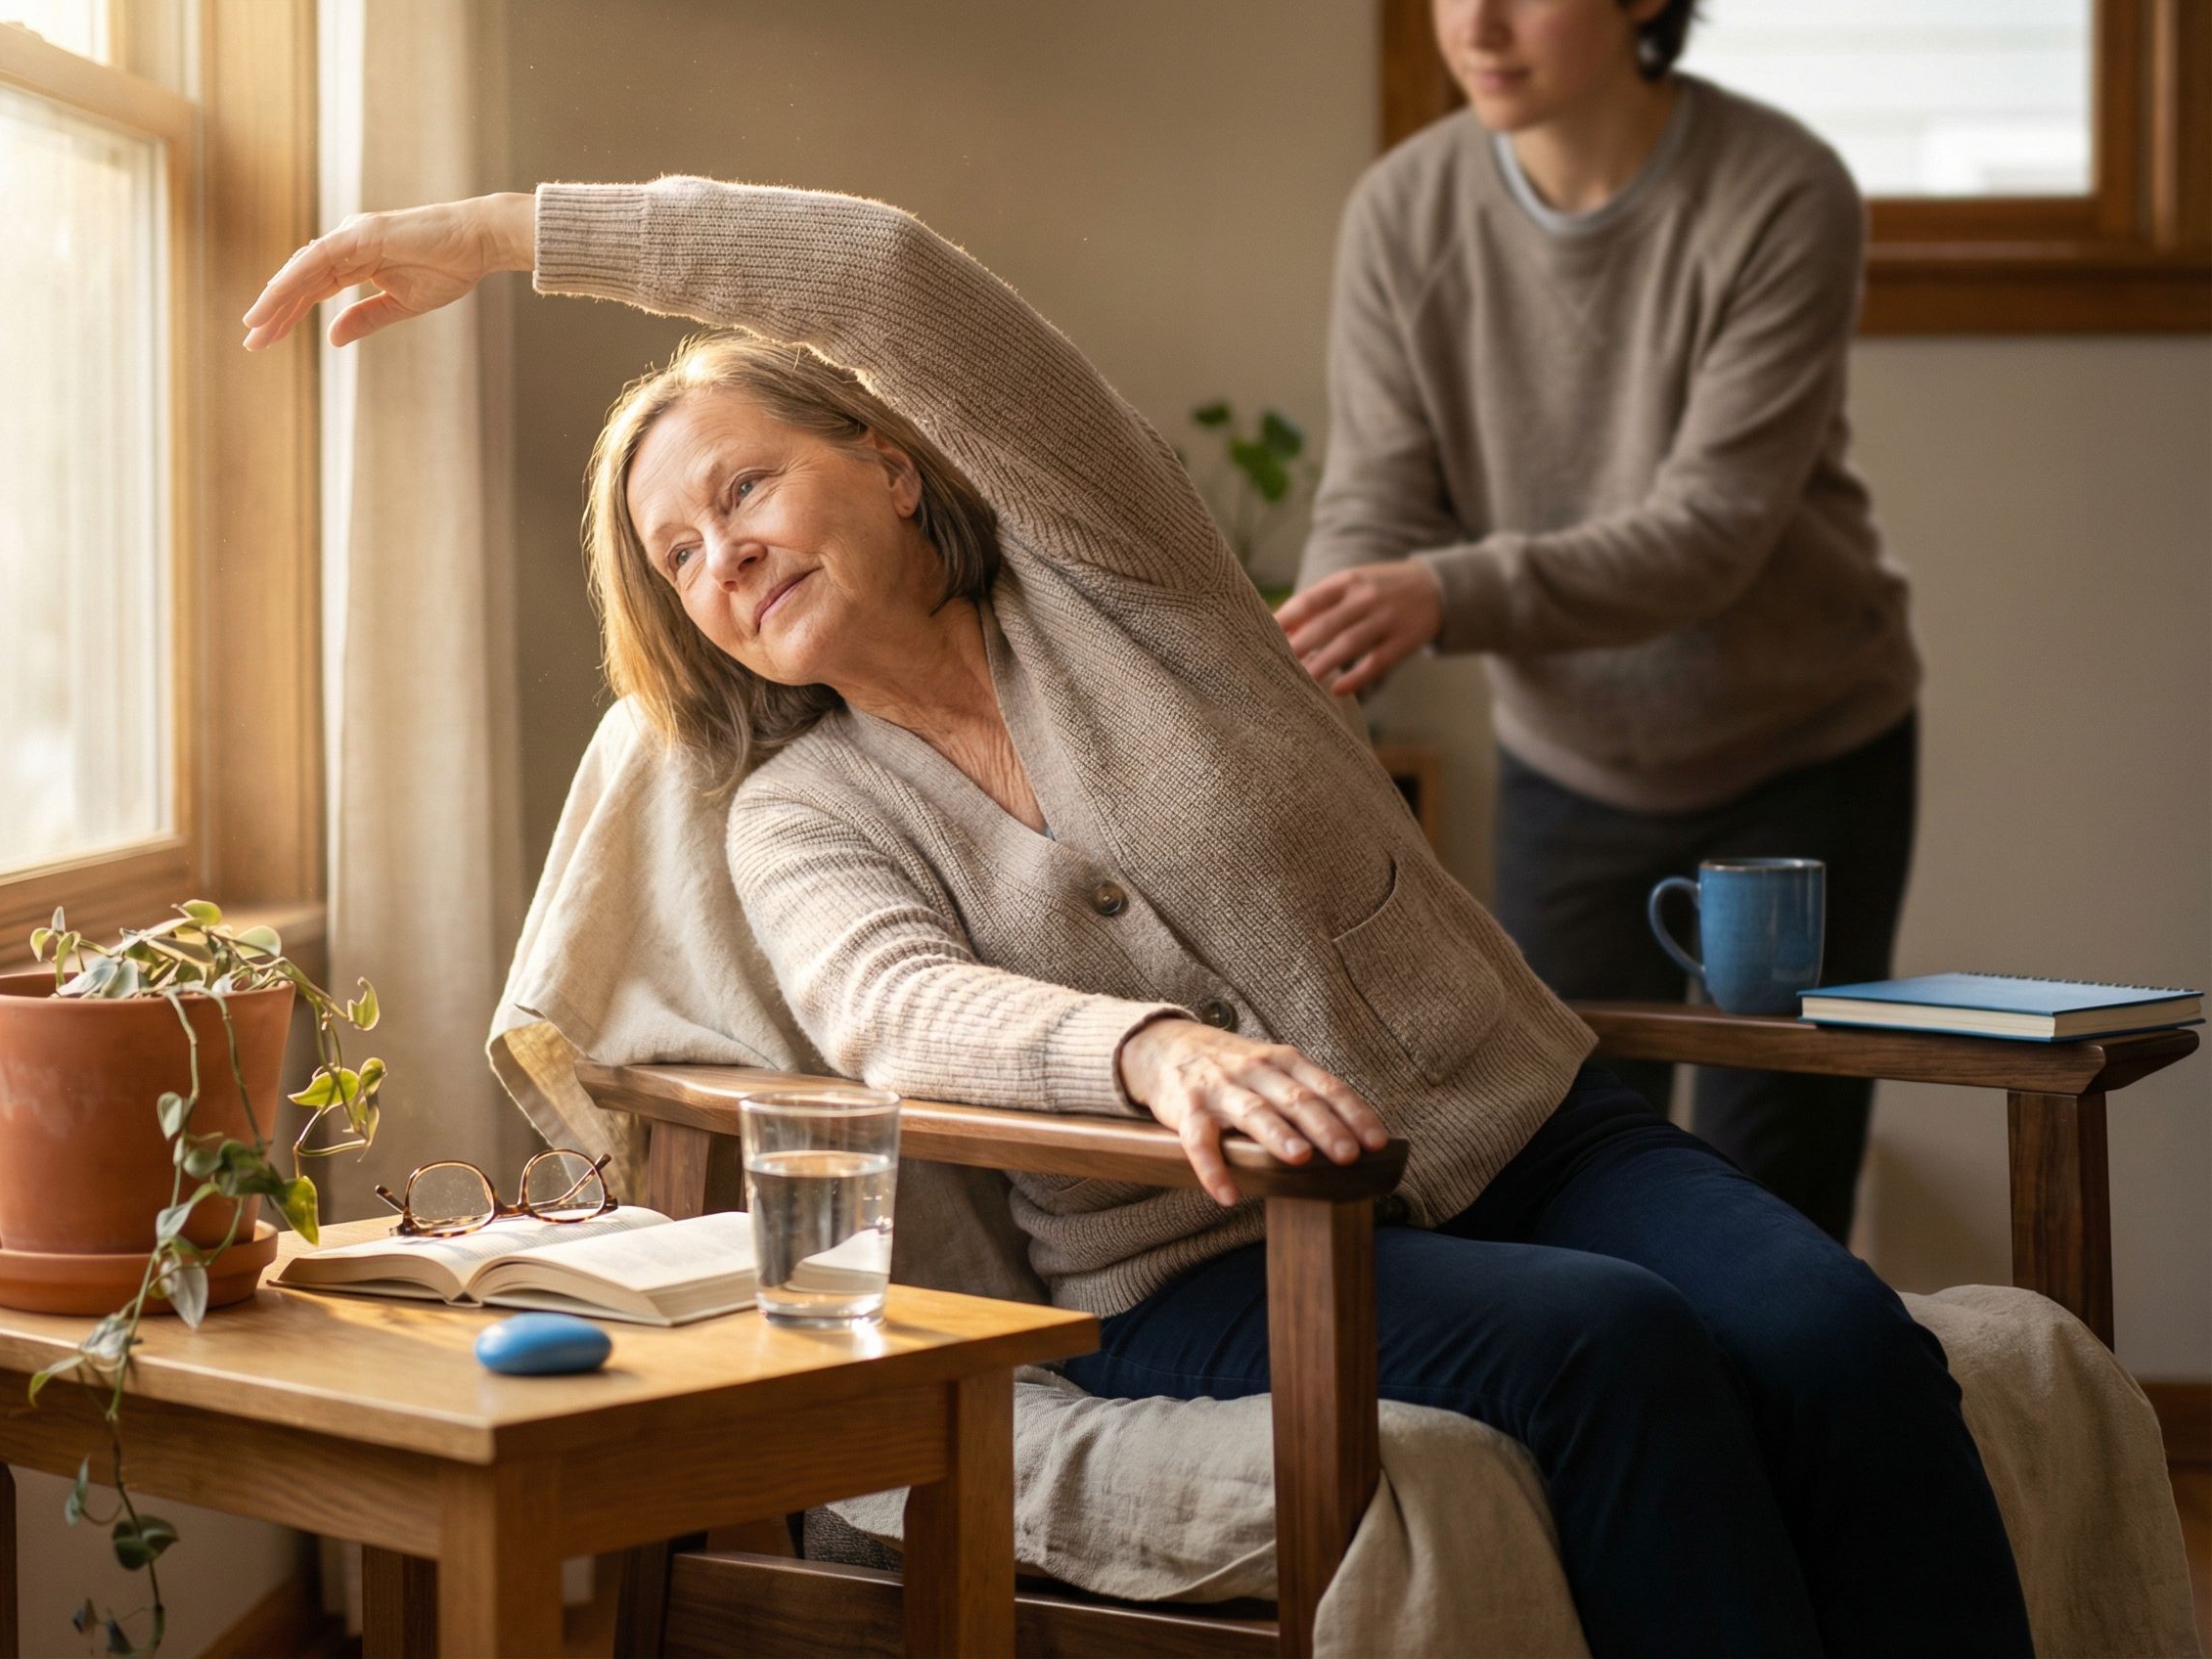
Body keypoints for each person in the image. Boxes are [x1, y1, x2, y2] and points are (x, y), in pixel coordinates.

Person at [241, 175, 2023, 1653]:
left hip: (1533, 1133)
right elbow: (887, 1005)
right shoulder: (795, 806)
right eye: (679, 558)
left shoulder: (1120, 573)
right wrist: (1149, 1052)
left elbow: (885, 275)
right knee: (1609, 1349)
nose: (723, 556)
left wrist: (498, 238)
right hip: (1198, 1262)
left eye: (745, 487)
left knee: (1833, 1338)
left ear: (889, 460)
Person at [1281, 0, 1920, 1245]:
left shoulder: (1780, 189)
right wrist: (1316, 663)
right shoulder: (1403, 210)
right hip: (1567, 768)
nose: (1476, 20)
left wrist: (1441, 593)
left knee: (1772, 1187)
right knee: (1572, 1181)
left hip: (1801, 758)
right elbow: (1374, 497)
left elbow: (1710, 532)